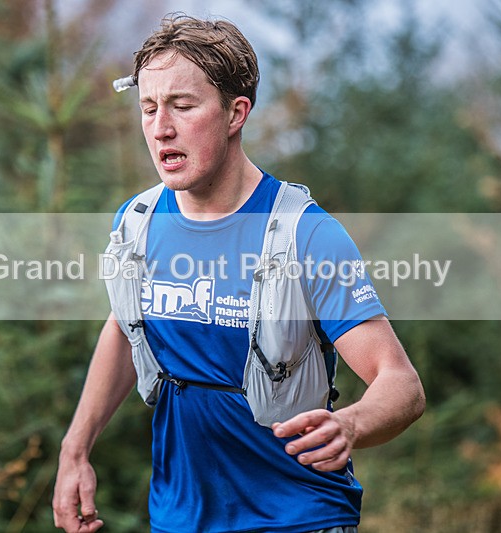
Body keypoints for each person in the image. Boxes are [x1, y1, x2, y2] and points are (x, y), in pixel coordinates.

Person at [53, 13, 425, 533]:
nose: (161, 127)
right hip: (177, 519)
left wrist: (349, 424)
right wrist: (76, 450)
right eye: (149, 108)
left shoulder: (306, 236)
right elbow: (125, 326)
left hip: (298, 519)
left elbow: (402, 385)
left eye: (183, 106)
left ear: (236, 113)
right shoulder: (136, 224)